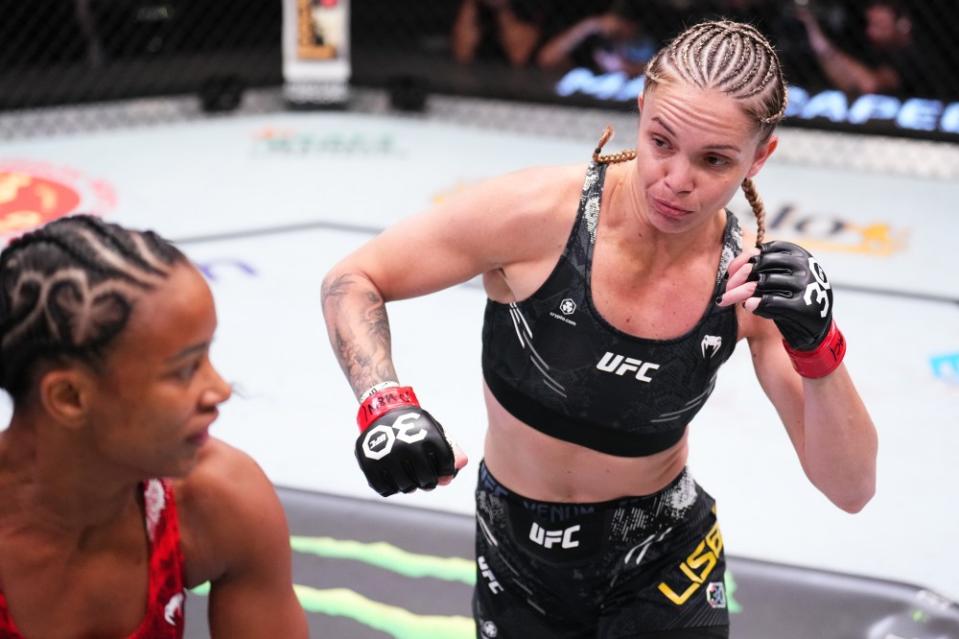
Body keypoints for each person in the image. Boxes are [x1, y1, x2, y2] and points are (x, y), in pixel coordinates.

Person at [322, 19, 877, 639]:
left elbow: (850, 487)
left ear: (762, 155)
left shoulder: (749, 284)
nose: (677, 179)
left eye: (714, 160)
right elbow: (354, 279)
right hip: (514, 552)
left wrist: (819, 346)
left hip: (665, 559)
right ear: (641, 109)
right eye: (662, 141)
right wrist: (383, 400)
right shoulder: (537, 216)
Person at [0, 215, 307, 638]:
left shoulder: (220, 499)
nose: (219, 390)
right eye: (184, 370)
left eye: (207, 357)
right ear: (70, 397)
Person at [796, 0, 923, 96]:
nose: (870, 32)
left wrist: (824, 48)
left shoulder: (914, 56)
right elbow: (848, 81)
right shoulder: (876, 49)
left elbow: (870, 86)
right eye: (870, 25)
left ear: (903, 25)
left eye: (879, 25)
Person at [536, 0, 656, 76]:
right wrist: (588, 26)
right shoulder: (595, 38)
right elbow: (546, 59)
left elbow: (655, 71)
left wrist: (624, 68)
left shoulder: (644, 43)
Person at [451, 0, 545, 67]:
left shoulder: (528, 5)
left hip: (517, 79)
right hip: (473, 71)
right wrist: (471, 3)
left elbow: (518, 56)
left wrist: (502, 9)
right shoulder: (470, 7)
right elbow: (462, 54)